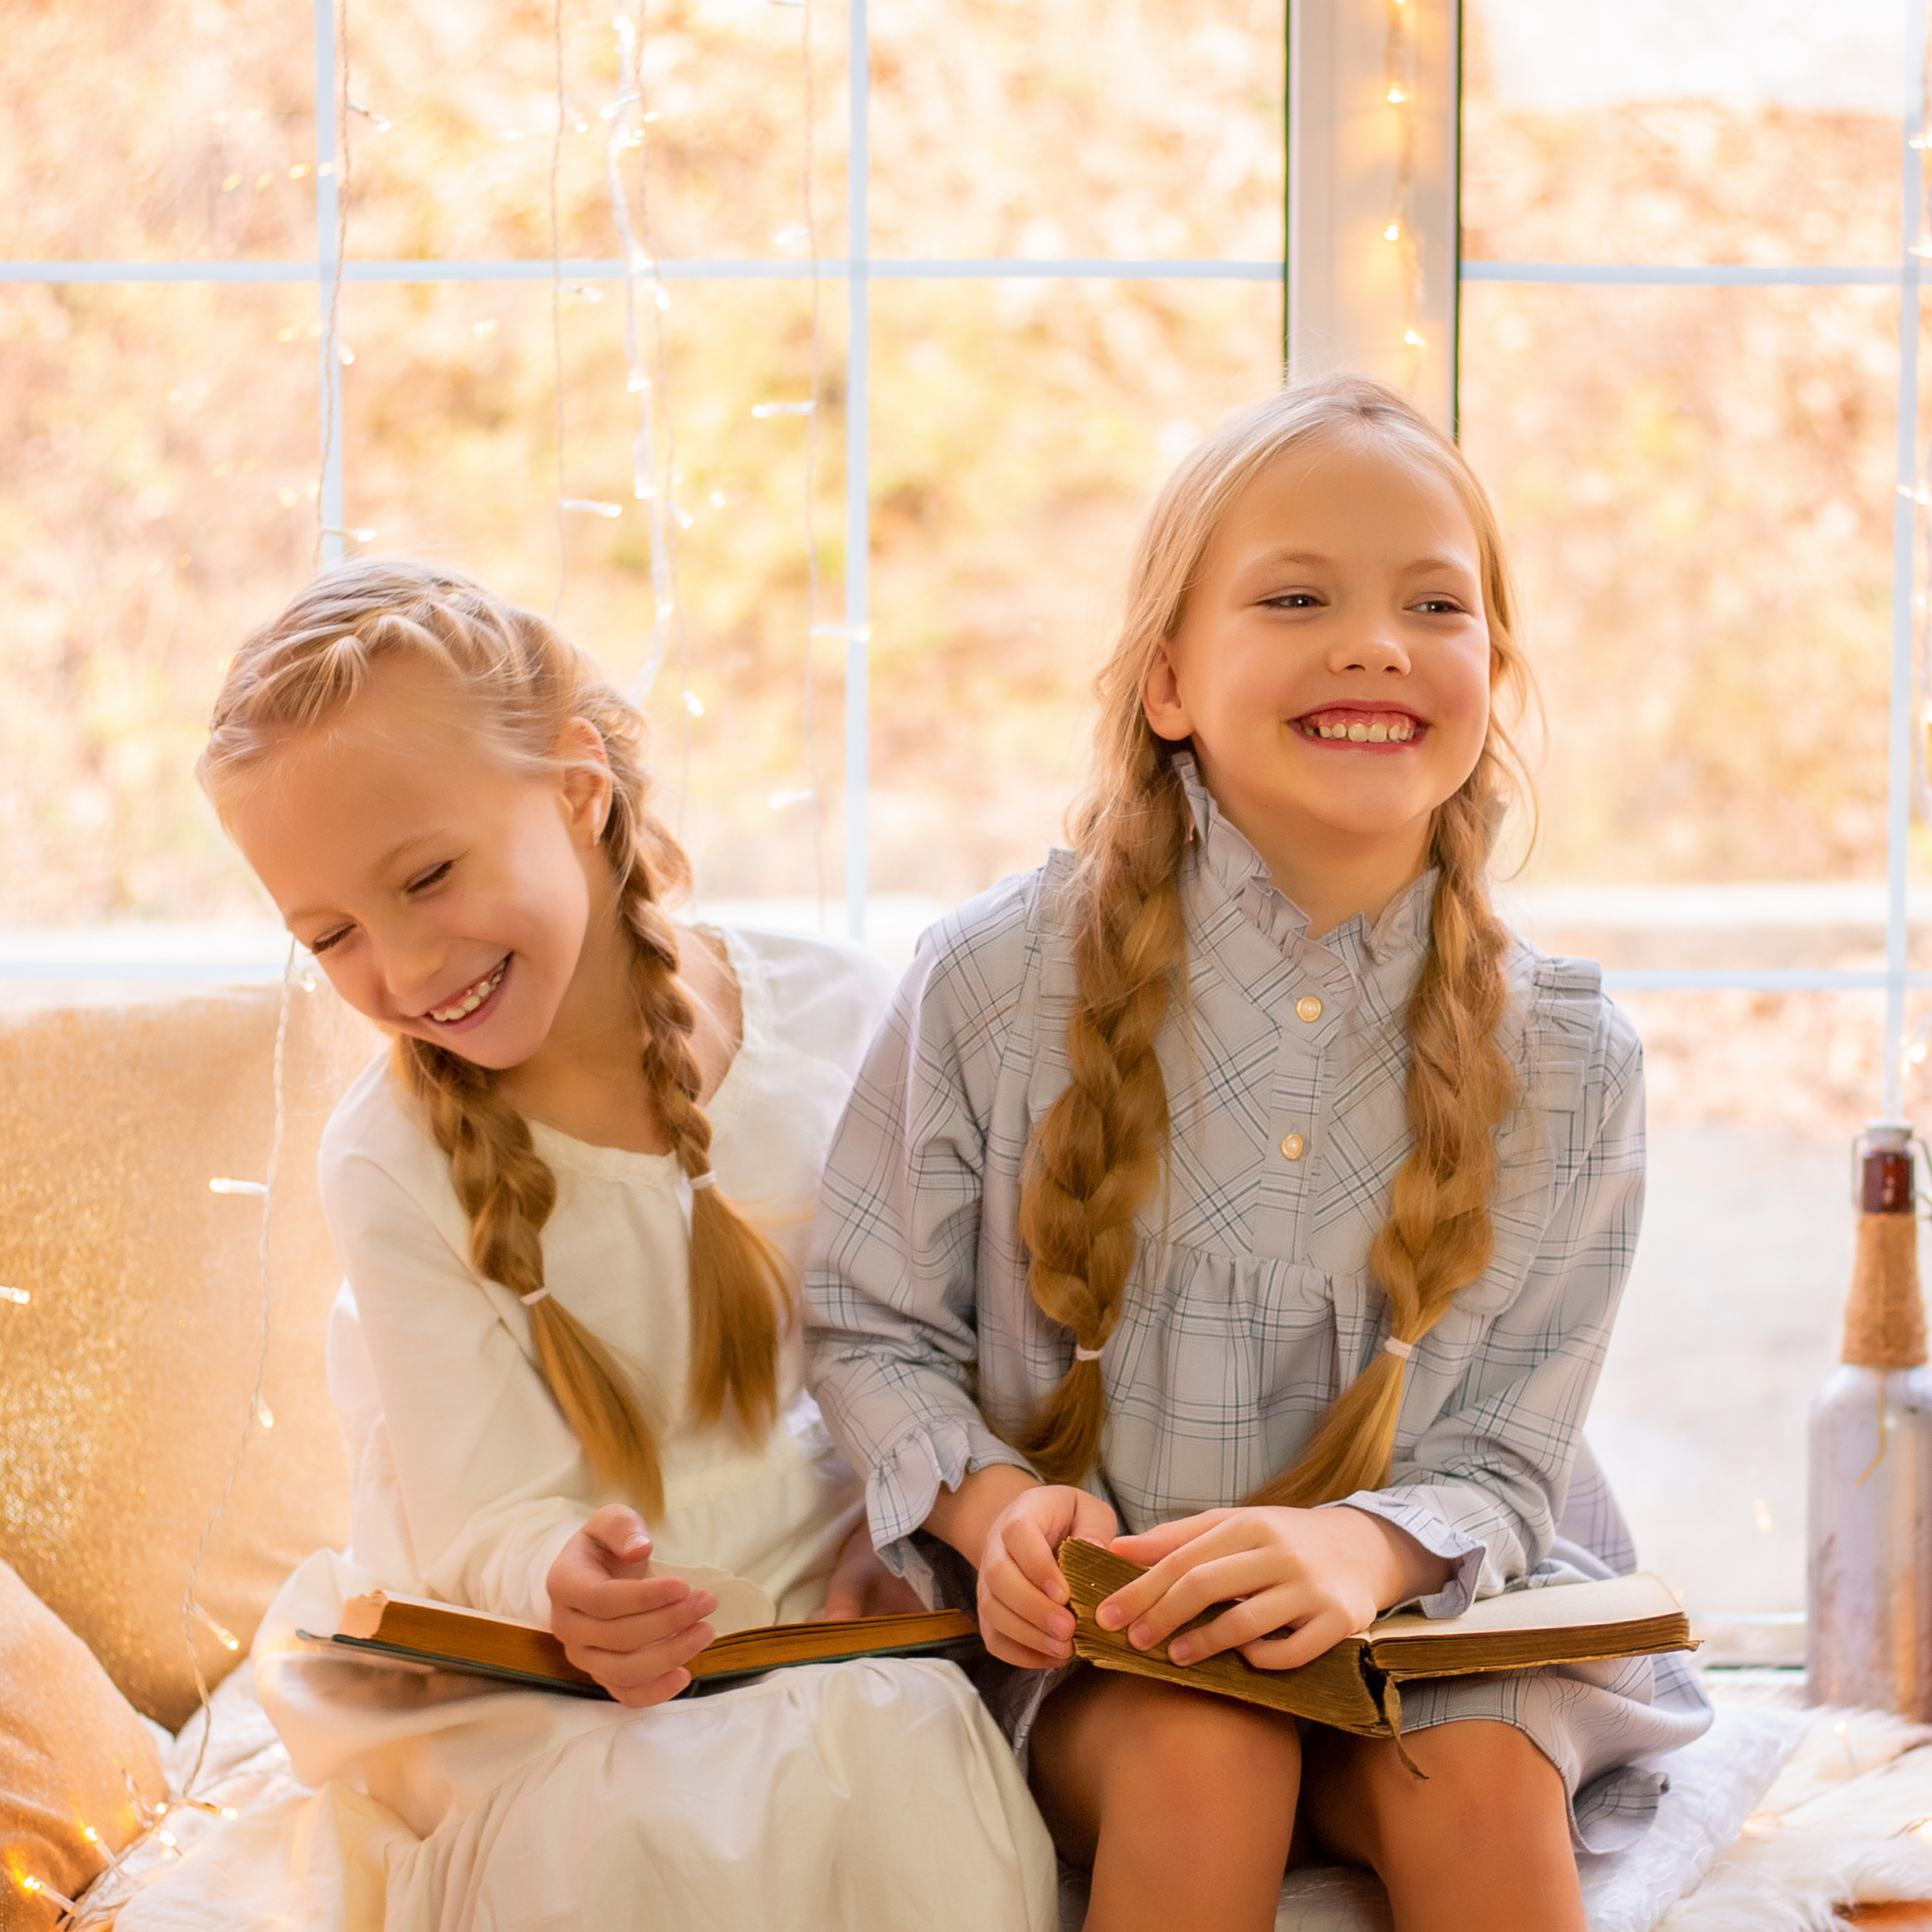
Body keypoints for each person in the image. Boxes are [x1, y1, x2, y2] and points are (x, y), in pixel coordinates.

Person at [804, 374, 1711, 1932]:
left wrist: (1358, 1546)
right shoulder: (990, 982)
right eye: (1295, 595)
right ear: (1165, 678)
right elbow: (865, 1323)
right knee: (1203, 1753)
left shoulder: (1570, 1060)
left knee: (1487, 1786)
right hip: (1115, 1655)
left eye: (1433, 603)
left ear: (1490, 671)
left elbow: (1502, 1456)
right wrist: (993, 1508)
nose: (1372, 639)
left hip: (1425, 1625)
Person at [143, 560, 1057, 1931]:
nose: (400, 971)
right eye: (330, 935)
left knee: (906, 1773)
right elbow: (480, 1508)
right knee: (636, 1829)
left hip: (832, 1628)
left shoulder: (847, 1015)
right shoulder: (391, 1162)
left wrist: (929, 1519)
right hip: (548, 1673)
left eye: (429, 876)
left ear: (581, 788)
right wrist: (562, 1585)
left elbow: (944, 1340)